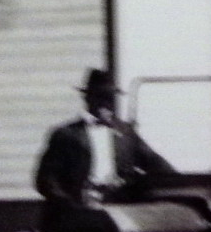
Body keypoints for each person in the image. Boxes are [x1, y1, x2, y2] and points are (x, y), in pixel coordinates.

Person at [34, 68, 174, 209]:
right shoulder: (67, 134)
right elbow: (45, 180)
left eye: (110, 97)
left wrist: (178, 182)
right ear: (87, 98)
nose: (105, 103)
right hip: (80, 210)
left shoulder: (125, 132)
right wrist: (72, 203)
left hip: (121, 208)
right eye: (100, 97)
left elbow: (156, 163)